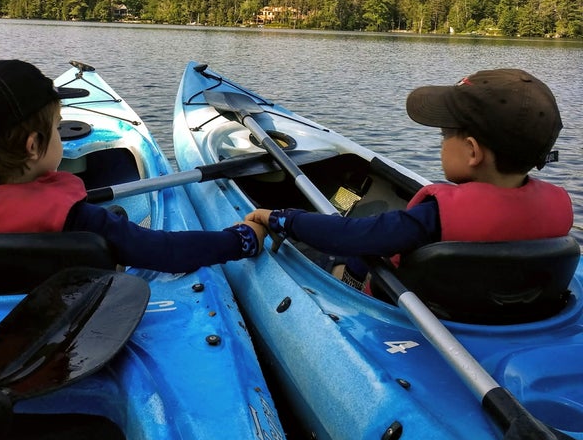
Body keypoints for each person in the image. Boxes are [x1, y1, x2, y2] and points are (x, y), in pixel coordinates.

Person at [0, 59, 266, 273]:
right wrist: (242, 239)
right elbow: (165, 251)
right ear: (34, 145)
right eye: (57, 129)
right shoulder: (77, 220)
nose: (61, 137)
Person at [245, 68, 574, 289]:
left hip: (406, 302)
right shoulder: (558, 208)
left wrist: (281, 218)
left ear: (472, 152)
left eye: (446, 134)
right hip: (491, 302)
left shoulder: (433, 218)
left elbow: (350, 235)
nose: (442, 141)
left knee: (329, 253)